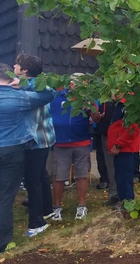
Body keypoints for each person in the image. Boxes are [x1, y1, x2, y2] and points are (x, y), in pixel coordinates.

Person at [0, 63, 56, 253]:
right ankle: (2, 241)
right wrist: (25, 84)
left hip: (16, 148)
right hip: (13, 150)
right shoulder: (20, 97)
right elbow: (49, 93)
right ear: (10, 77)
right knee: (5, 196)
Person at [13, 55, 56, 237]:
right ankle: (47, 209)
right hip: (42, 138)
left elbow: (49, 91)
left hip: (36, 140)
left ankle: (37, 222)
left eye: (17, 64)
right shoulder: (34, 85)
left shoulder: (38, 86)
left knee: (32, 180)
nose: (14, 66)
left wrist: (20, 85)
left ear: (25, 70)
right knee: (40, 175)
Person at [50, 78, 95, 221]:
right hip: (61, 142)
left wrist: (91, 109)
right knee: (59, 175)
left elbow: (96, 118)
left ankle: (81, 206)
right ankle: (57, 207)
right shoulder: (56, 97)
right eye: (74, 83)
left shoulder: (86, 98)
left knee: (82, 174)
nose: (76, 86)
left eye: (81, 83)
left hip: (81, 141)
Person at [107, 96, 140, 207]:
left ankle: (128, 204)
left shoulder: (129, 104)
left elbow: (133, 128)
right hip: (121, 148)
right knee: (120, 177)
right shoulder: (120, 104)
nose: (112, 93)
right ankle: (123, 201)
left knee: (125, 178)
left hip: (126, 148)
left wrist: (118, 144)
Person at [91, 99, 119, 205]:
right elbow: (98, 117)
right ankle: (114, 194)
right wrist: (95, 112)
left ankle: (124, 196)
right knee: (110, 166)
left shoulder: (123, 99)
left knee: (121, 168)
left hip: (119, 138)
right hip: (106, 134)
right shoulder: (104, 98)